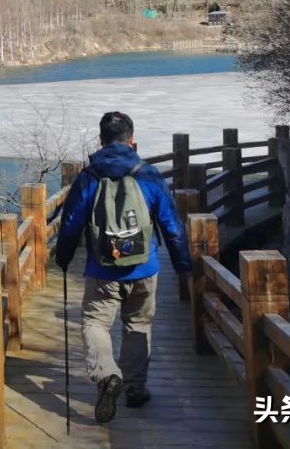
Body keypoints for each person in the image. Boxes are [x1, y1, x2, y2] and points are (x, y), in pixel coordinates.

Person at [55, 111, 192, 424]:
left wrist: (62, 258)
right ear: (132, 141)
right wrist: (184, 266)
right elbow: (172, 225)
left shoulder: (89, 178)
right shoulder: (150, 175)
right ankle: (135, 389)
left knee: (95, 323)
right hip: (145, 267)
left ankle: (106, 375)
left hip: (102, 271)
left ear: (100, 141)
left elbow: (71, 224)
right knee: (138, 324)